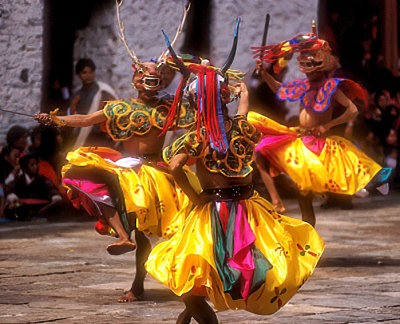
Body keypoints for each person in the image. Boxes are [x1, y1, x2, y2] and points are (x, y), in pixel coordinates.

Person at [34, 1, 193, 302]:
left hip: (156, 172)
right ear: (135, 80)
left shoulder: (168, 108)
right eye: (144, 77)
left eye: (155, 78)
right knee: (82, 172)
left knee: (157, 233)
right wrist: (54, 118)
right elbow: (85, 119)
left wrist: (194, 77)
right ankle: (122, 235)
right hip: (126, 168)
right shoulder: (121, 108)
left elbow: (195, 110)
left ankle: (149, 281)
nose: (149, 82)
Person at [145, 68, 324, 323]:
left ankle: (191, 313)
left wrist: (194, 197)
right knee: (217, 272)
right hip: (248, 207)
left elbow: (174, 166)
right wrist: (244, 92)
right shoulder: (242, 127)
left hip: (215, 212)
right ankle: (187, 316)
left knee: (194, 274)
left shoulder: (198, 136)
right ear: (225, 99)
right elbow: (244, 110)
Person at [249, 24, 391, 226]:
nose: (306, 72)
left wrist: (329, 125)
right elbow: (280, 90)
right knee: (263, 152)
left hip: (320, 142)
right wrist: (265, 75)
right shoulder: (303, 85)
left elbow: (352, 110)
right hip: (300, 138)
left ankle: (365, 187)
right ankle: (282, 206)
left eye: (311, 67)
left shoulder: (331, 86)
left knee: (316, 183)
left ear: (320, 66)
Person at [69, 58, 118, 148]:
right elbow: (72, 116)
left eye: (91, 72)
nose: (88, 76)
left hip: (100, 138)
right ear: (78, 75)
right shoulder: (77, 94)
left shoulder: (103, 91)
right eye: (84, 73)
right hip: (82, 137)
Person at [4, 153, 63, 221]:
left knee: (59, 204)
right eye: (32, 165)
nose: (36, 167)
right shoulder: (19, 180)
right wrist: (14, 198)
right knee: (11, 207)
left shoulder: (43, 179)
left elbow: (52, 189)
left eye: (36, 164)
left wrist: (55, 196)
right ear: (25, 168)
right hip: (23, 206)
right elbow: (9, 189)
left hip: (41, 207)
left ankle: (37, 215)